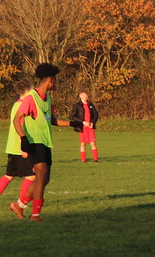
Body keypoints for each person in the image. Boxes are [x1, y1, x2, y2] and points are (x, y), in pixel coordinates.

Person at [10, 63, 75, 221]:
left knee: (45, 179)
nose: (56, 83)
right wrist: (23, 138)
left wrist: (73, 123)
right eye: (56, 80)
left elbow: (52, 120)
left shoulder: (48, 99)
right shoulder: (32, 97)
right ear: (51, 80)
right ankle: (35, 215)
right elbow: (16, 119)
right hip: (34, 142)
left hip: (45, 143)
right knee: (41, 175)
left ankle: (19, 205)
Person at [3, 80, 37, 216]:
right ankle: (19, 204)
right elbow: (20, 126)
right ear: (28, 92)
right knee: (31, 176)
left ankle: (19, 205)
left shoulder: (15, 104)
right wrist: (24, 147)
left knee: (9, 175)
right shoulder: (23, 105)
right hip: (19, 147)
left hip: (11, 146)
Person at [71, 91, 100, 162]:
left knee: (92, 143)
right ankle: (83, 159)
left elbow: (96, 114)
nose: (85, 97)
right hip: (82, 128)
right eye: (83, 95)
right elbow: (73, 116)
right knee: (83, 143)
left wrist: (92, 123)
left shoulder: (90, 105)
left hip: (90, 127)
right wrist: (83, 122)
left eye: (86, 96)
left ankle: (96, 159)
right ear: (80, 96)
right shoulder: (77, 105)